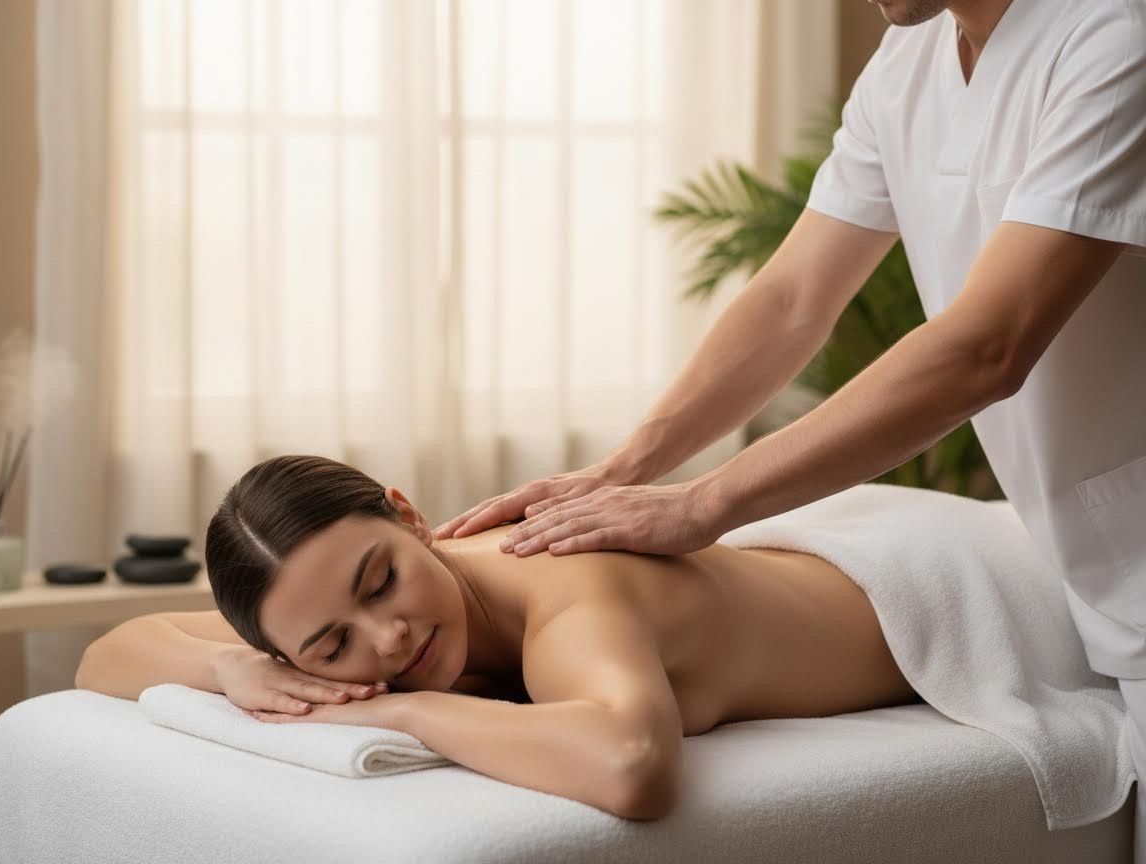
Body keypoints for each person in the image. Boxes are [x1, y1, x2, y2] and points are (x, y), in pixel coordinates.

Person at [436, 0, 1146, 855]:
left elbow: (987, 345)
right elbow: (791, 299)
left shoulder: (1116, 36)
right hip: (1105, 568)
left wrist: (704, 506)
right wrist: (625, 469)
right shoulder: (906, 64)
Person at [76, 454, 926, 819]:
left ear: (412, 520)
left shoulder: (563, 588)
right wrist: (229, 667)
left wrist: (398, 715)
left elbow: (634, 766)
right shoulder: (313, 618)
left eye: (382, 582)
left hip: (934, 577)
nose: (389, 635)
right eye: (332, 650)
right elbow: (108, 652)